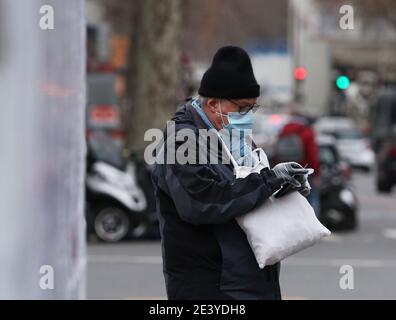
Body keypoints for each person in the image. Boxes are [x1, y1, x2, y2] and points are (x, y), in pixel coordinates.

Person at [151, 46, 310, 300]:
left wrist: (286, 188)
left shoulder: (233, 136)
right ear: (213, 104)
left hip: (250, 284)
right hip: (213, 290)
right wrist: (269, 181)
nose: (248, 117)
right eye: (243, 108)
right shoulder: (181, 142)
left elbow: (249, 192)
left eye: (253, 109)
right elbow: (202, 201)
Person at [277, 112, 321, 217]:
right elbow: (312, 155)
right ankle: (312, 222)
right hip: (305, 171)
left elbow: (276, 151)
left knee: (287, 200)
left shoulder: (283, 131)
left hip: (286, 171)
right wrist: (317, 173)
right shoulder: (307, 132)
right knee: (311, 198)